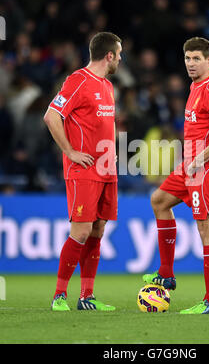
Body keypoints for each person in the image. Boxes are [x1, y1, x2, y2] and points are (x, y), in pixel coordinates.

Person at [143, 37, 209, 314]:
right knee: (159, 201)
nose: (191, 64)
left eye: (196, 59)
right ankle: (166, 274)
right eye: (187, 59)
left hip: (206, 167)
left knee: (208, 229)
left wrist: (200, 158)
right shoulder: (195, 87)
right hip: (191, 165)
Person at [44, 32, 122, 311]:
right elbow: (52, 116)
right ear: (109, 55)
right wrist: (70, 151)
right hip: (83, 169)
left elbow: (107, 126)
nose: (121, 59)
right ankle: (59, 295)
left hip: (106, 169)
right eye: (119, 54)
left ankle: (86, 296)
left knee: (98, 230)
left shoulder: (108, 86)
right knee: (81, 230)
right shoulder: (78, 80)